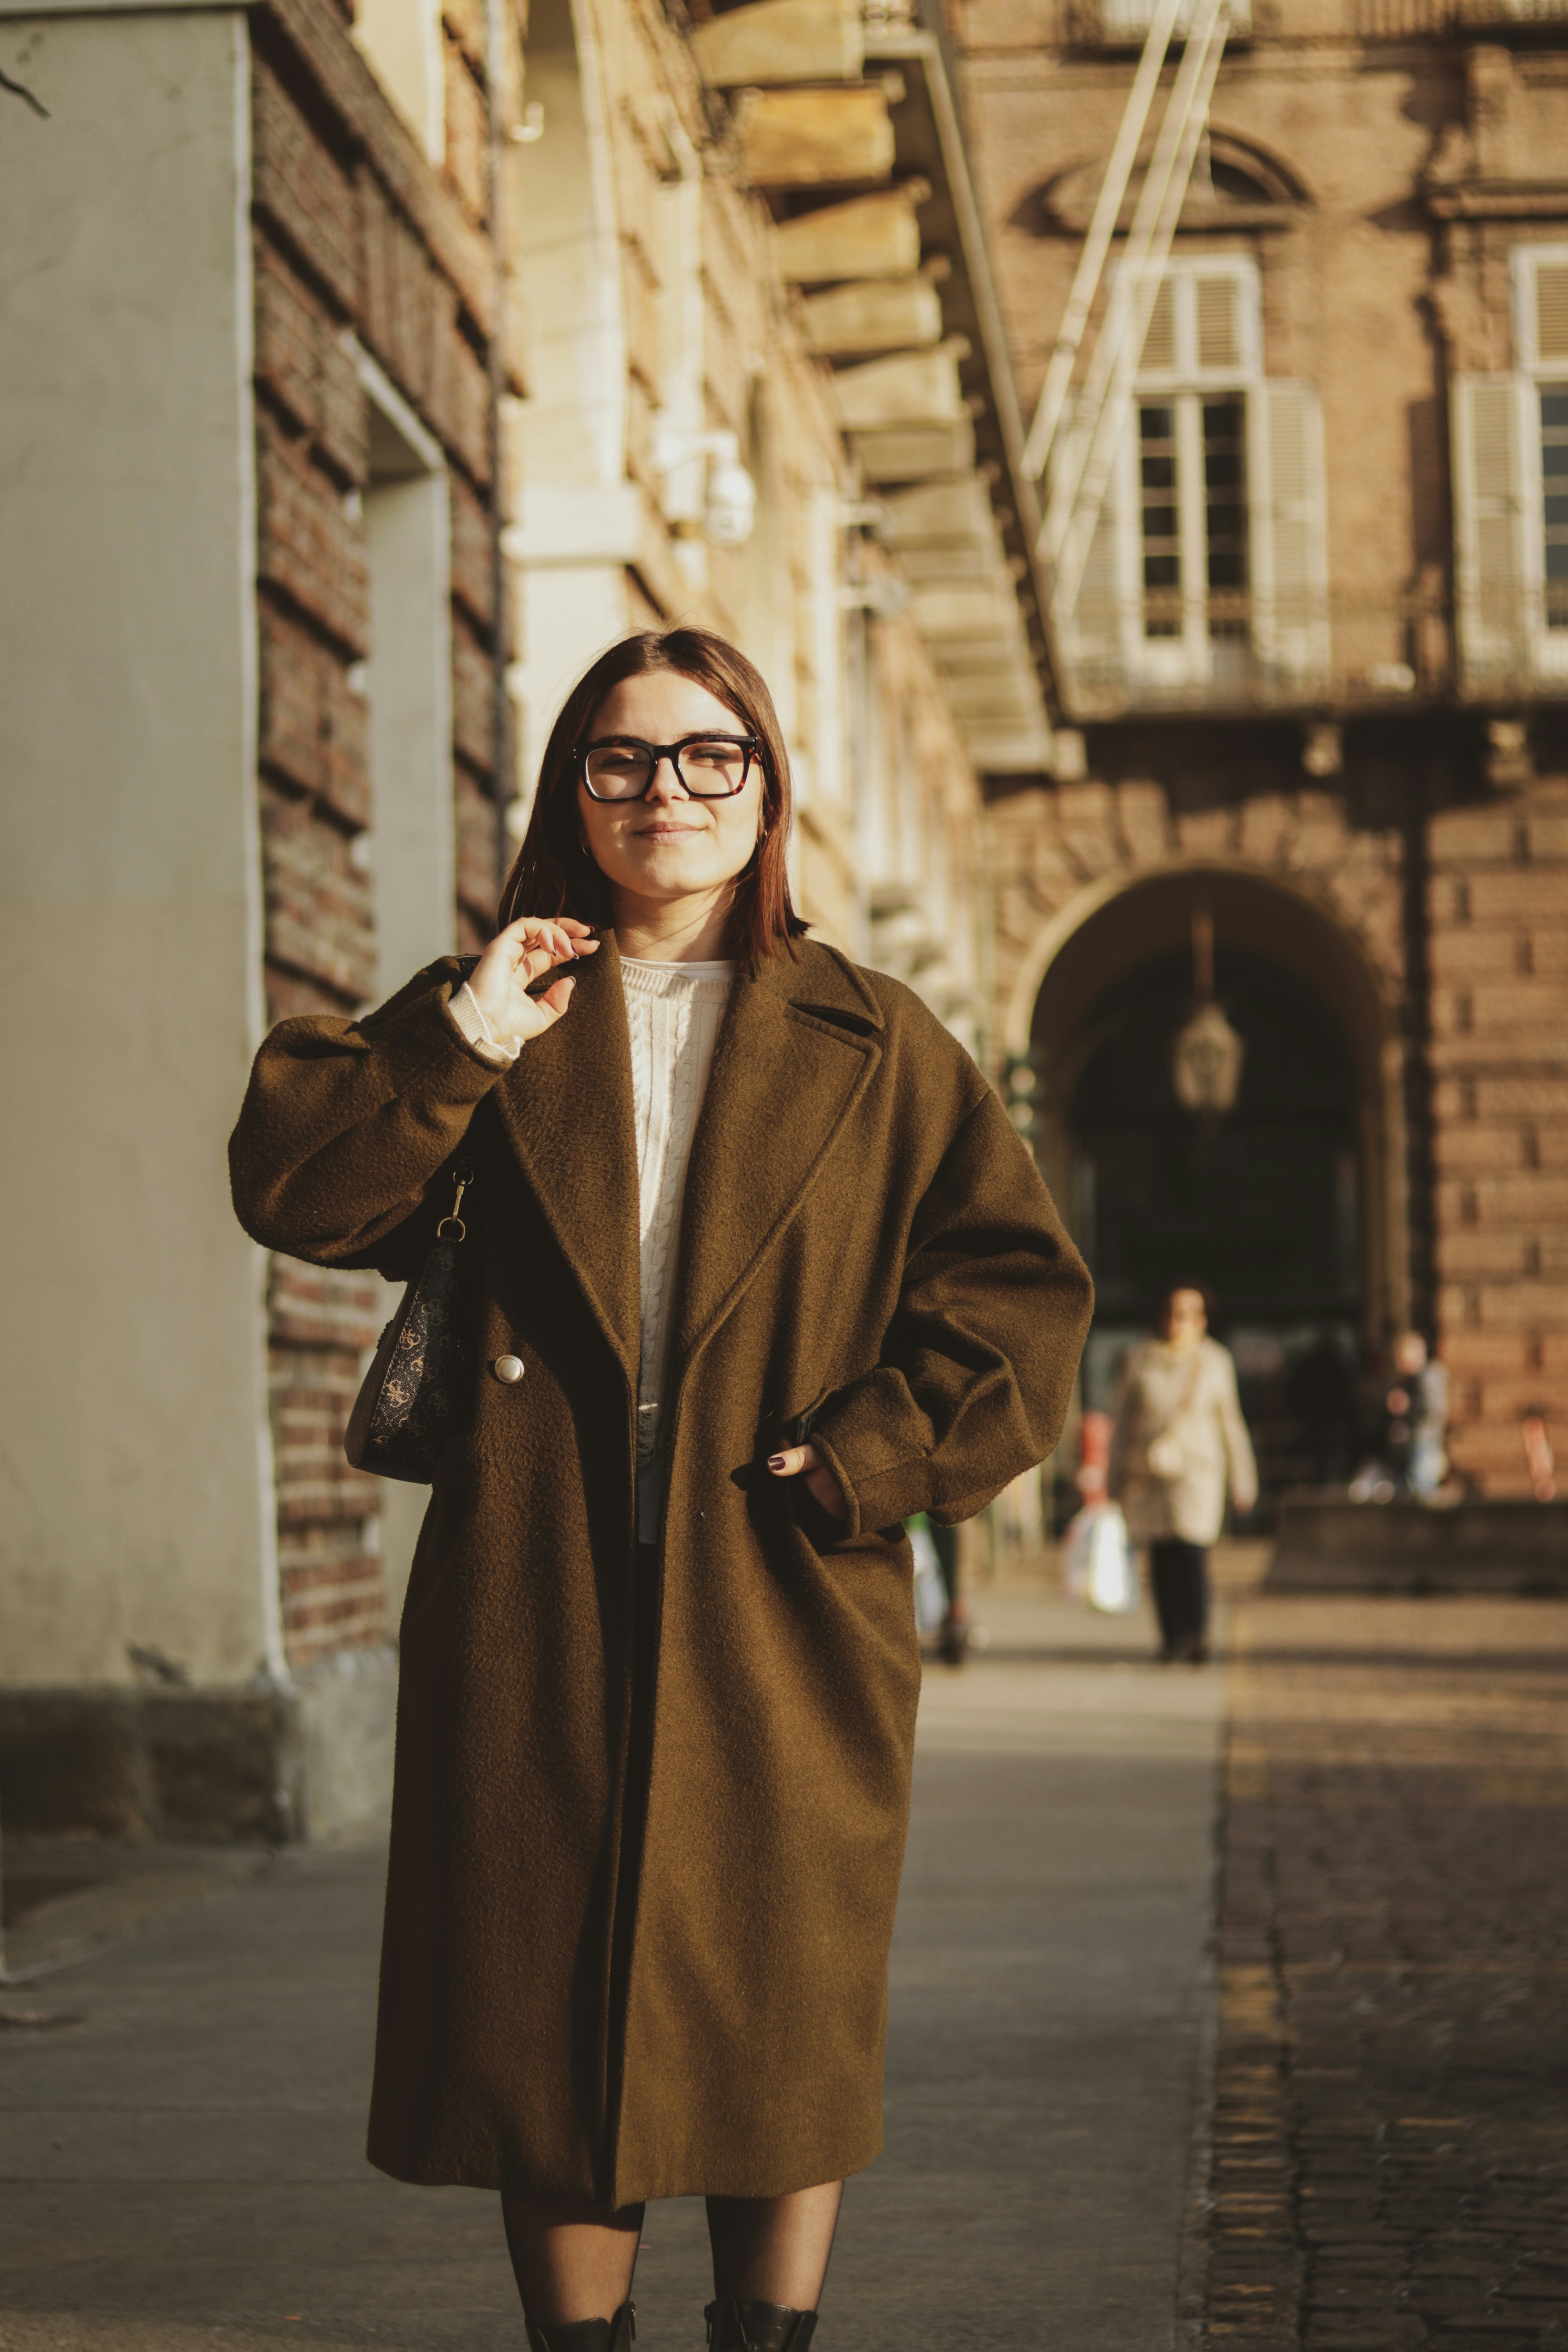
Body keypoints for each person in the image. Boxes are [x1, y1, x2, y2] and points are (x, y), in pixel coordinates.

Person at [229, 628, 1093, 2352]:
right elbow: (298, 1191)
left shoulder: (878, 1036)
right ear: (570, 793)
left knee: (780, 2001)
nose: (664, 793)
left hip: (778, 1580)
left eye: (710, 756)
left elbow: (1013, 1302)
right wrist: (467, 1028)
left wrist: (864, 1460)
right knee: (542, 2001)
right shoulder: (494, 1014)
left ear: (766, 790)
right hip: (526, 1584)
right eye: (618, 760)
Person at [1107, 1280, 1257, 1664]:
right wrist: (1113, 1478)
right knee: (1161, 1558)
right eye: (1174, 1312)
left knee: (1192, 1553)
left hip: (1198, 1473)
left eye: (1190, 1314)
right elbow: (1122, 1422)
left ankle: (1197, 1636)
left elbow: (1231, 1425)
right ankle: (1171, 1638)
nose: (1180, 1321)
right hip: (1150, 1471)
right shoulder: (1139, 1359)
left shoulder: (1215, 1361)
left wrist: (1244, 1480)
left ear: (1203, 1319)